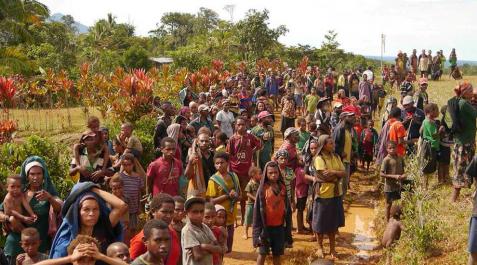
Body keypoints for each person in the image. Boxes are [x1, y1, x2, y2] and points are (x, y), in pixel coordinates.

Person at [0, 156, 63, 264]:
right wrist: (9, 219)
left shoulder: (48, 193)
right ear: (27, 176)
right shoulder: (18, 193)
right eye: (32, 174)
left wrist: (50, 198)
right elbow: (1, 210)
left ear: (44, 176)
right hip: (16, 244)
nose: (35, 177)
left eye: (39, 174)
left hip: (39, 246)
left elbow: (59, 208)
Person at [49, 182, 127, 259]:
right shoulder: (66, 240)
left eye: (95, 209)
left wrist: (92, 188)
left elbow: (121, 206)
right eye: (86, 209)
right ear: (77, 212)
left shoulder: (103, 228)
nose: (91, 213)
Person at [311, 135, 346, 259]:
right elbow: (324, 176)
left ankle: (332, 249)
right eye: (330, 143)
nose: (333, 145)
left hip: (336, 194)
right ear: (323, 145)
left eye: (333, 143)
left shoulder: (336, 156)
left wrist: (333, 172)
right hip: (323, 194)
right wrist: (337, 175)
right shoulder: (318, 158)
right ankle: (320, 248)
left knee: (333, 224)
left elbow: (343, 172)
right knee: (320, 223)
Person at [253, 162, 292, 265]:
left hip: (279, 227)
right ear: (266, 174)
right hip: (265, 228)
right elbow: (257, 213)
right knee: (262, 253)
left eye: (275, 172)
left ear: (279, 173)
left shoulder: (282, 187)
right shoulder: (262, 189)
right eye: (270, 173)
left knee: (277, 254)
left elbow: (287, 210)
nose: (273, 175)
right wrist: (256, 235)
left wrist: (288, 232)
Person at [226, 118, 261, 226]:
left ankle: (244, 219)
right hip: (235, 170)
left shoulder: (250, 137)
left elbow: (259, 144)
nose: (241, 126)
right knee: (235, 195)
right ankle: (235, 219)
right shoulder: (232, 139)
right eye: (239, 124)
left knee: (245, 196)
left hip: (247, 171)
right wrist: (229, 170)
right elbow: (228, 154)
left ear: (246, 125)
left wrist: (252, 151)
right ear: (235, 126)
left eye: (243, 124)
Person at [206, 152, 241, 253]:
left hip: (231, 212)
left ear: (228, 163)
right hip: (219, 215)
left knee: (230, 233)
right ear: (214, 165)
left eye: (222, 162)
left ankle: (228, 251)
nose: (219, 165)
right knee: (218, 234)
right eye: (217, 163)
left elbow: (240, 196)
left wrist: (236, 196)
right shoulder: (213, 180)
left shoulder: (234, 176)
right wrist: (227, 196)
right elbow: (212, 201)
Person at [450, 82, 477, 202]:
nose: (473, 92)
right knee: (461, 170)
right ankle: (453, 199)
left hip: (464, 141)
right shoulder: (464, 103)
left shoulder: (460, 101)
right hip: (464, 143)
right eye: (471, 90)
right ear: (465, 92)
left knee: (463, 168)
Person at [182, 196, 225, 265]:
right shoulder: (188, 230)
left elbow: (219, 248)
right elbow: (198, 256)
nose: (199, 215)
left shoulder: (205, 227)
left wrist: (203, 246)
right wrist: (212, 247)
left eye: (201, 211)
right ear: (186, 213)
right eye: (195, 212)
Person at [38, 235, 129, 265]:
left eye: (90, 260)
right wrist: (69, 258)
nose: (86, 264)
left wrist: (101, 256)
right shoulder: (70, 259)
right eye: (81, 260)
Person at [118, 153, 144, 236]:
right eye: (124, 165)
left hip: (134, 208)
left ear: (133, 164)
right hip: (124, 208)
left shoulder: (137, 177)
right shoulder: (120, 177)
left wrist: (139, 207)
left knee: (133, 229)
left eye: (129, 164)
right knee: (124, 229)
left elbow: (139, 192)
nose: (127, 167)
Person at [185, 128, 215, 197]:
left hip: (211, 189)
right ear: (197, 142)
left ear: (209, 142)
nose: (204, 143)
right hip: (197, 191)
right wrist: (190, 162)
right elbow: (187, 175)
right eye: (202, 141)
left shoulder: (213, 154)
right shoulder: (192, 155)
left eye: (206, 141)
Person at [381, 142, 406, 221]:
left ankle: (397, 218)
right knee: (388, 204)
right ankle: (387, 221)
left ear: (397, 148)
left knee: (398, 203)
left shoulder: (400, 158)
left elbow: (404, 170)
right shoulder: (386, 159)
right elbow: (381, 173)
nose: (392, 150)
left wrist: (404, 175)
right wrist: (394, 176)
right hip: (389, 186)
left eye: (394, 148)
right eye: (390, 148)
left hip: (399, 185)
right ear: (387, 149)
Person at [332, 111, 355, 196]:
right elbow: (335, 143)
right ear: (342, 118)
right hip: (341, 160)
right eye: (348, 117)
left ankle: (341, 201)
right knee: (342, 183)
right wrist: (341, 153)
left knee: (345, 182)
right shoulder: (340, 129)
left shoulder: (347, 129)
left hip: (347, 159)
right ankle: (339, 202)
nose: (351, 118)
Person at [420, 103, 441, 188]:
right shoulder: (428, 122)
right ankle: (424, 186)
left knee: (430, 164)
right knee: (426, 166)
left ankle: (426, 184)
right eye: (436, 109)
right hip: (429, 146)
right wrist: (440, 130)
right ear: (430, 111)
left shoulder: (429, 121)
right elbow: (434, 135)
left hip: (432, 145)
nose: (438, 111)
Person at [108, 175, 130, 245]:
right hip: (114, 229)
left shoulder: (126, 198)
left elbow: (127, 215)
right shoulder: (109, 200)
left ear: (123, 187)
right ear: (111, 188)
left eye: (119, 188)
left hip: (125, 228)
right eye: (114, 188)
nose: (117, 190)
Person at [243, 166, 261, 239]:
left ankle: (256, 233)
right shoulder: (250, 183)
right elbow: (247, 193)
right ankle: (245, 233)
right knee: (247, 218)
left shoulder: (259, 183)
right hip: (251, 205)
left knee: (256, 219)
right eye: (259, 174)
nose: (260, 175)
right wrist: (255, 198)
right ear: (253, 175)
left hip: (257, 205)